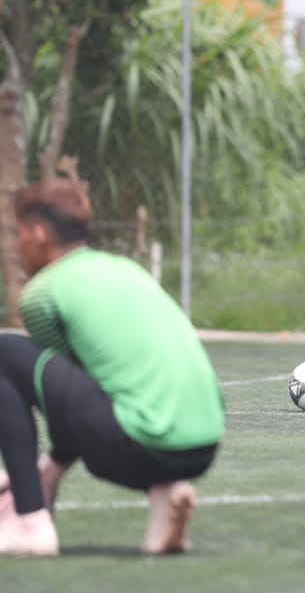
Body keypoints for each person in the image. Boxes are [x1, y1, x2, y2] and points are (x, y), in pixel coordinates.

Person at [0, 178, 225, 556]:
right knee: (124, 400)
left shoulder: (41, 293)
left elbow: (67, 402)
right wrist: (51, 468)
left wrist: (39, 479)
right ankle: (165, 495)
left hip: (138, 447)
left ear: (39, 234)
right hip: (202, 447)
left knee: (2, 350)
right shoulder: (124, 269)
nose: (13, 246)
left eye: (16, 233)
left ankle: (28, 522)